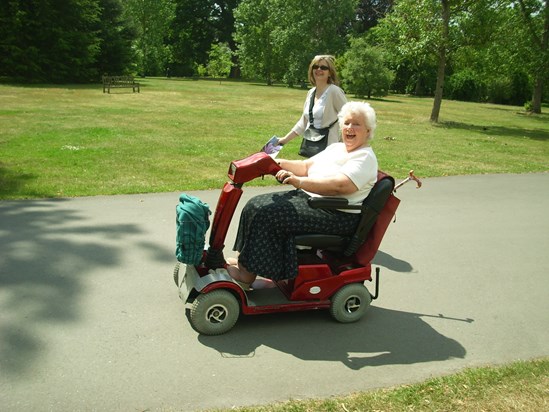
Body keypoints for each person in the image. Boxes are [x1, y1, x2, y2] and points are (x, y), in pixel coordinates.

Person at [227, 101, 378, 287]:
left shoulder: (364, 158)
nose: (349, 128)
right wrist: (274, 163)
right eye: (346, 123)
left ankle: (247, 275)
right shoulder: (337, 148)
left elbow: (340, 186)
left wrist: (299, 182)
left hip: (336, 214)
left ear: (368, 131)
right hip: (313, 201)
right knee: (255, 204)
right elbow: (306, 166)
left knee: (269, 214)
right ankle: (245, 260)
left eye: (357, 124)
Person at [276, 55, 347, 151]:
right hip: (311, 148)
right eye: (315, 66)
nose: (318, 69)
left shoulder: (334, 92)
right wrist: (284, 140)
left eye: (323, 67)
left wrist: (342, 144)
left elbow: (350, 118)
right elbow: (303, 123)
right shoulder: (311, 93)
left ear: (329, 73)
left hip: (330, 150)